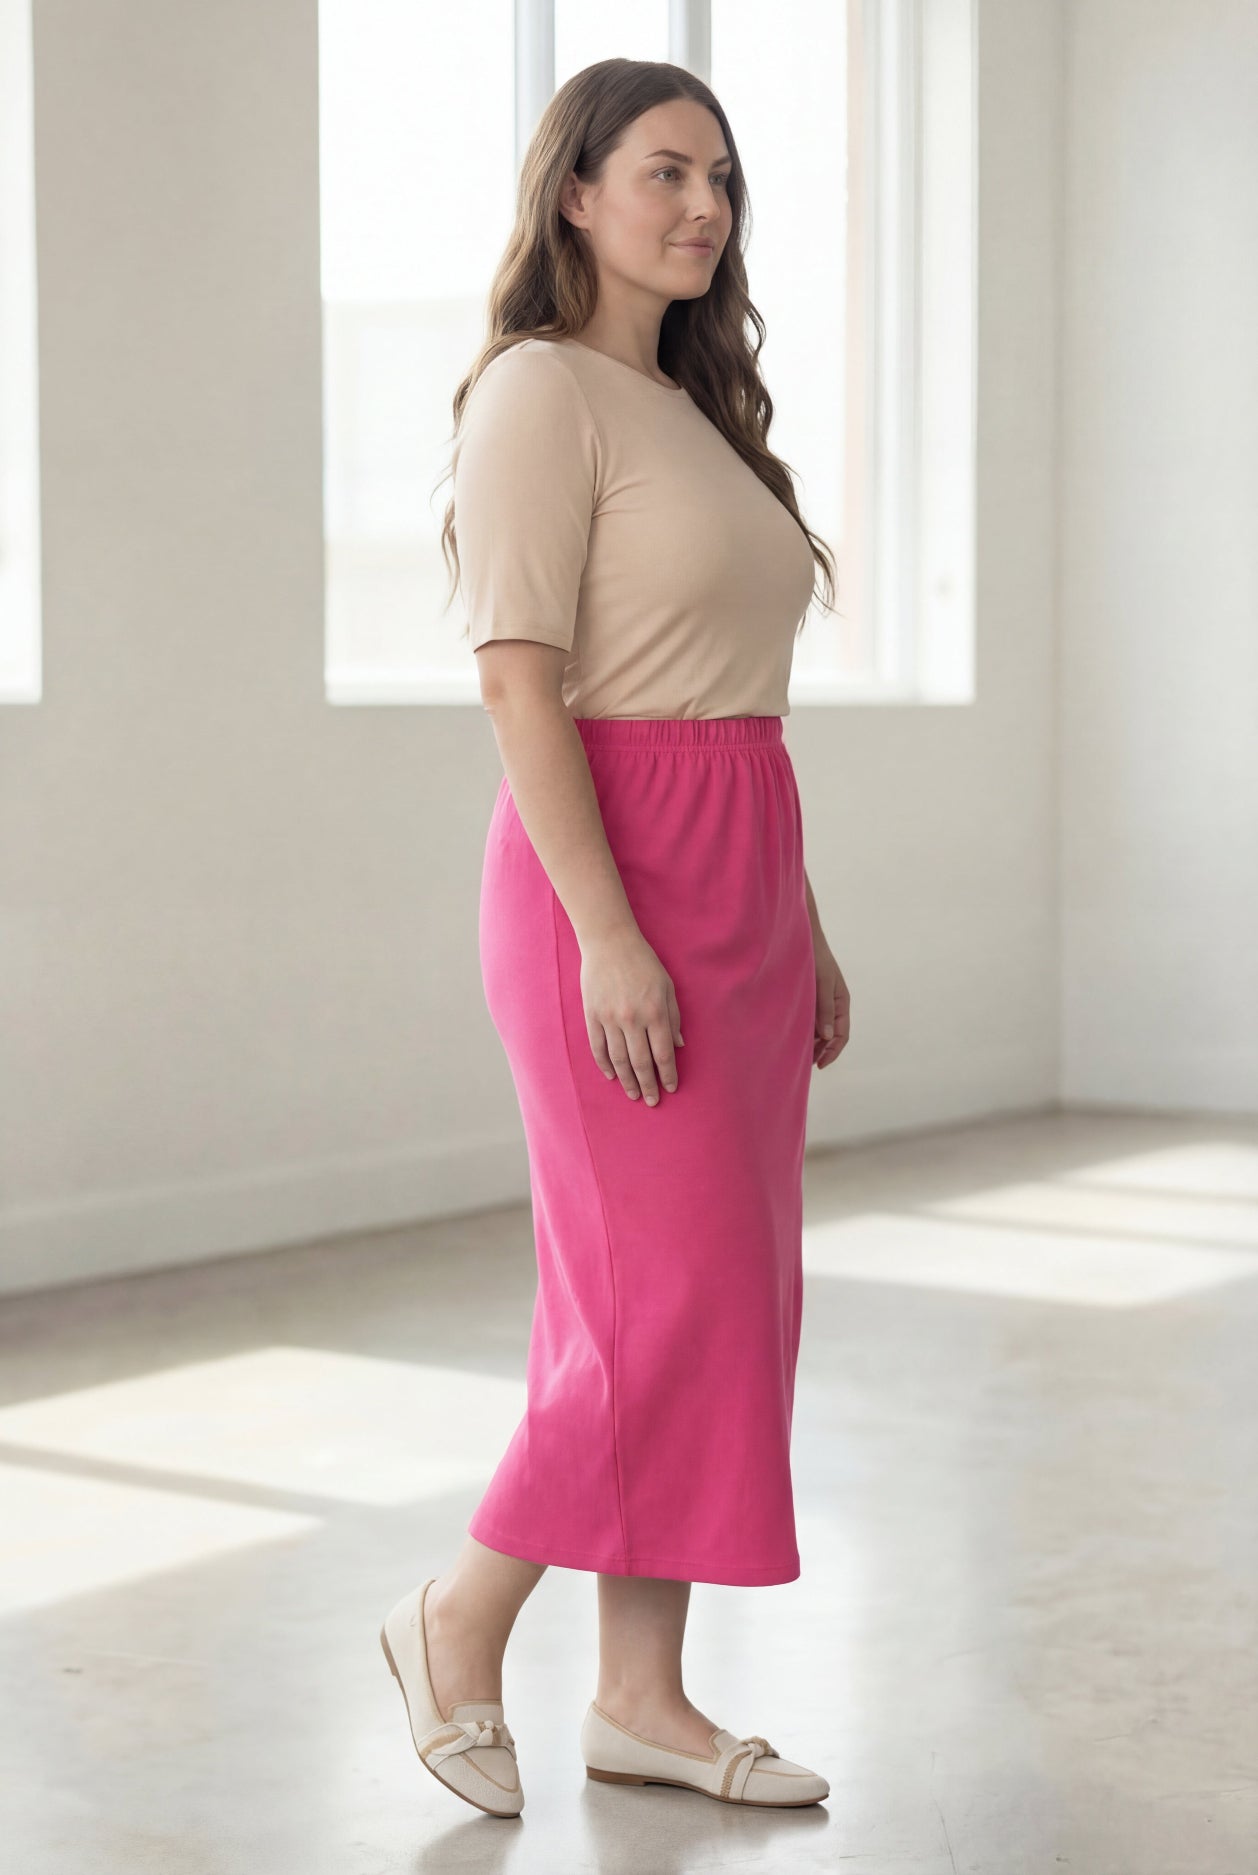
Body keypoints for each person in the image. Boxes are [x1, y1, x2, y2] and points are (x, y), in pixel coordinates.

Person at [380, 57, 851, 1818]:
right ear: (572, 191)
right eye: (663, 172)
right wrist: (609, 934)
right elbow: (520, 677)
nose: (703, 208)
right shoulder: (538, 395)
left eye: (720, 179)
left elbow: (737, 701)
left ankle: (640, 1698)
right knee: (653, 1309)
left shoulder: (698, 415)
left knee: (714, 1306)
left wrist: (799, 920)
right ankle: (455, 1615)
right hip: (612, 876)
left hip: (737, 867)